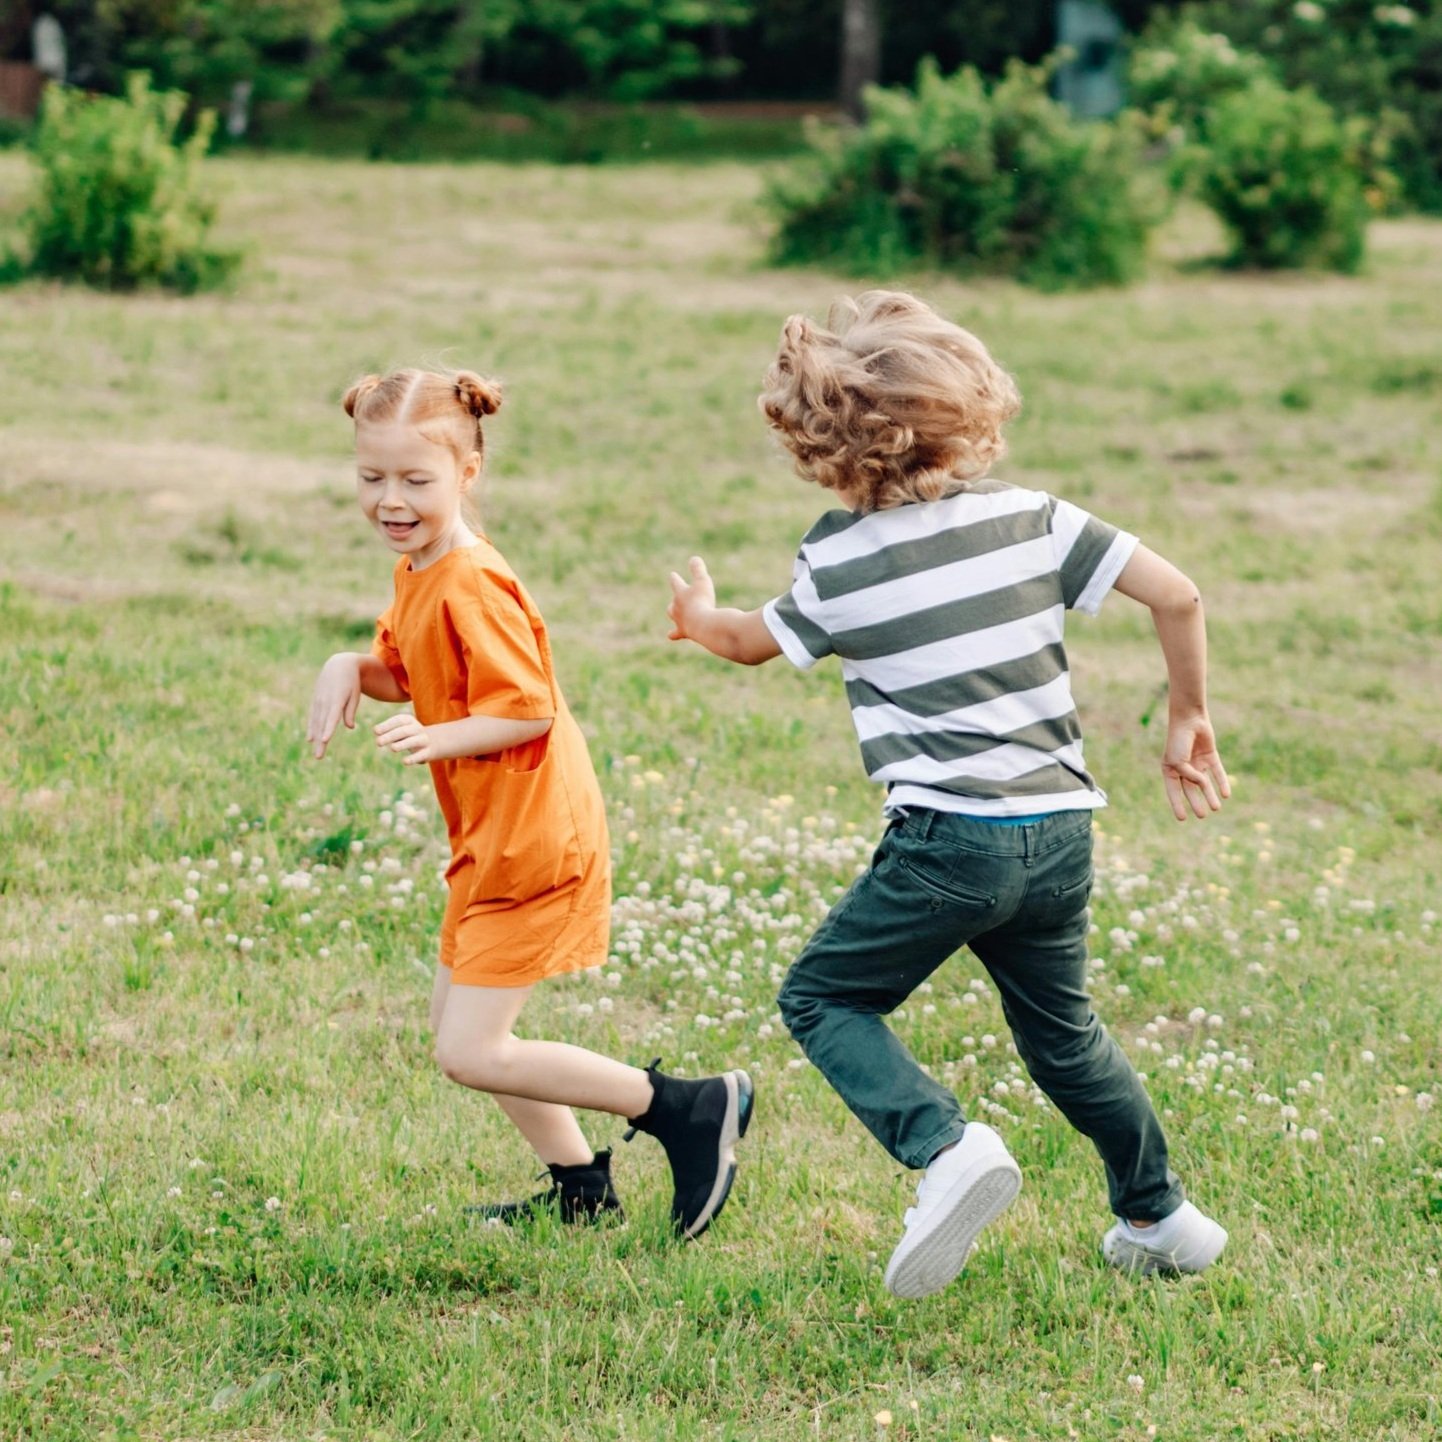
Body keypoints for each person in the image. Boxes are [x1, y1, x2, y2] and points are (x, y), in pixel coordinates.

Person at [664, 292, 1229, 1298]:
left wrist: (699, 616)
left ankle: (942, 1146)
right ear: (964, 413)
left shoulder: (836, 561)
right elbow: (1177, 592)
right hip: (1057, 828)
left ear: (819, 444)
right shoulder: (1031, 518)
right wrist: (1186, 715)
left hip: (945, 840)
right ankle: (1159, 1215)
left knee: (824, 995)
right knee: (1064, 1034)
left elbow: (751, 644)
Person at [308, 367, 752, 1238]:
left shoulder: (472, 580)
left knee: (470, 1049)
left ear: (468, 471)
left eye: (415, 480)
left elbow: (525, 706)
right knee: (460, 1032)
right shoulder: (420, 568)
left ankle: (688, 1108)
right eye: (371, 478)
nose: (390, 499)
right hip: (492, 834)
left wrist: (442, 736)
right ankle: (582, 1192)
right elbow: (409, 672)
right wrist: (343, 667)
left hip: (534, 835)